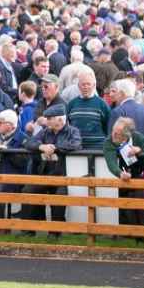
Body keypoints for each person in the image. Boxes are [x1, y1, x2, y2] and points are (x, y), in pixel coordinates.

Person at [22, 104, 82, 239]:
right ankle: (28, 230)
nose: (46, 121)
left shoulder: (73, 131)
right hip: (45, 174)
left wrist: (54, 148)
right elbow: (28, 143)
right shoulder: (45, 131)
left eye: (49, 118)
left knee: (59, 196)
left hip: (63, 176)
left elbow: (75, 145)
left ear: (60, 120)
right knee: (28, 191)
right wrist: (41, 146)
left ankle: (55, 233)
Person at [103, 117, 144, 228]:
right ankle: (130, 232)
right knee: (125, 199)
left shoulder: (138, 138)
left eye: (117, 133)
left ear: (127, 135)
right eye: (113, 130)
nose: (113, 135)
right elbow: (111, 163)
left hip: (138, 174)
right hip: (121, 177)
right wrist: (120, 173)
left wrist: (139, 151)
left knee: (139, 194)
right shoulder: (109, 141)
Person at [66, 69, 110, 150]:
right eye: (83, 84)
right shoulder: (72, 104)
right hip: (77, 148)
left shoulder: (102, 104)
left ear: (94, 86)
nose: (86, 87)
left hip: (98, 148)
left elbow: (108, 126)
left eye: (88, 84)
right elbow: (67, 125)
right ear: (79, 86)